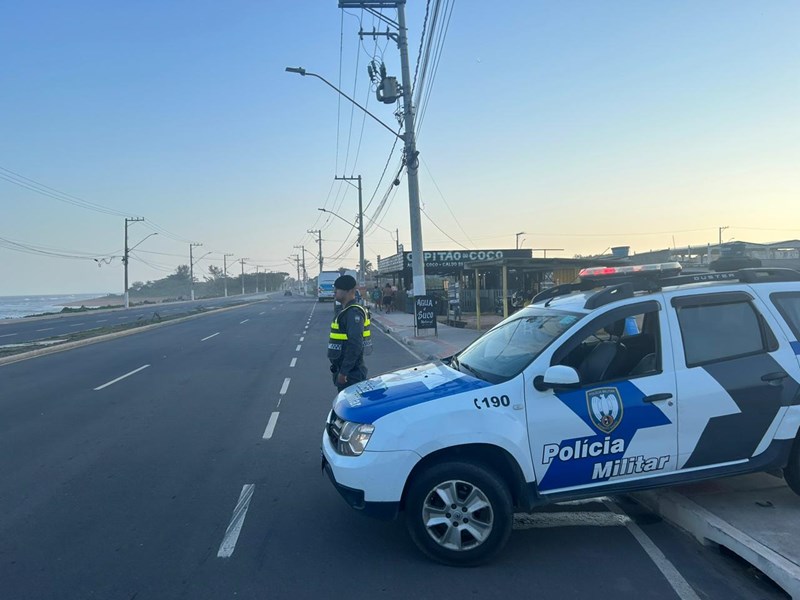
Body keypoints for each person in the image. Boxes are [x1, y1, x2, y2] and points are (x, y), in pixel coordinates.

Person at [328, 275, 372, 392]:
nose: (334, 292)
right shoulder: (345, 311)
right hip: (346, 371)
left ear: (348, 291)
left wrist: (344, 372)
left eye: (337, 289)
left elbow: (355, 344)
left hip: (351, 374)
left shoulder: (353, 313)